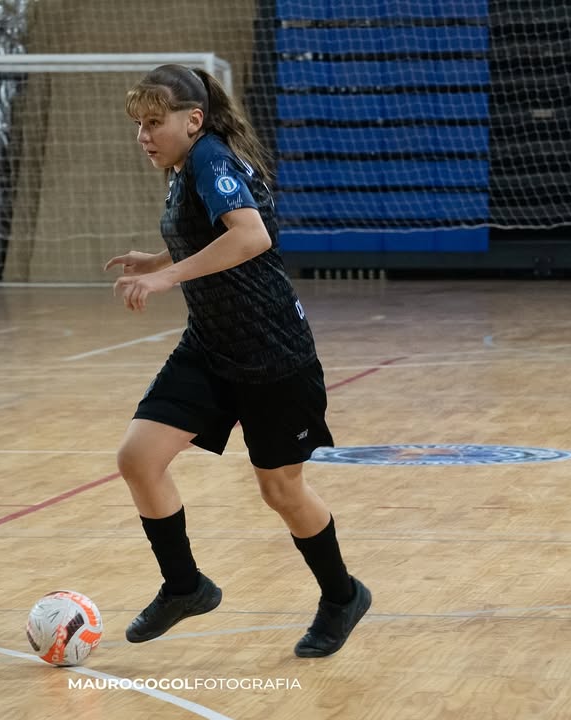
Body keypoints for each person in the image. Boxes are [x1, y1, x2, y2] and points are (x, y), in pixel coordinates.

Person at [104, 65, 371, 658]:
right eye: (138, 124)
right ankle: (185, 586)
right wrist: (157, 258)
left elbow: (251, 236)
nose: (143, 135)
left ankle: (342, 595)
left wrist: (170, 274)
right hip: (211, 346)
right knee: (138, 458)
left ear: (192, 120)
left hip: (273, 354)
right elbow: (212, 235)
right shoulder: (185, 167)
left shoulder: (209, 158)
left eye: (154, 122)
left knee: (282, 491)